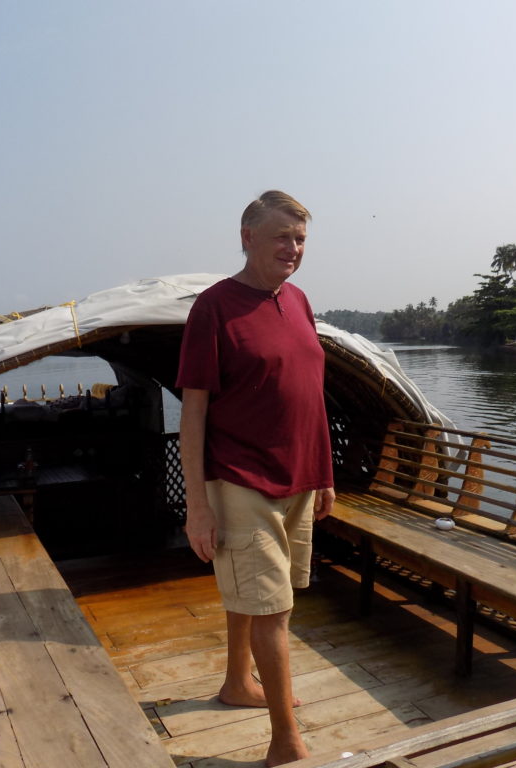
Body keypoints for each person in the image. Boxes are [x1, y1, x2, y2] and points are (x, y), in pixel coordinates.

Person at [176, 190, 335, 766]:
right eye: (281, 237)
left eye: (299, 240)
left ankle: (236, 683)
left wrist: (324, 472)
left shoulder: (298, 300)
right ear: (247, 238)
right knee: (273, 609)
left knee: (261, 594)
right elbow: (193, 410)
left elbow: (309, 392)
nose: (292, 249)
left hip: (299, 477)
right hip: (241, 478)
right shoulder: (214, 308)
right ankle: (285, 744)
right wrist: (198, 505)